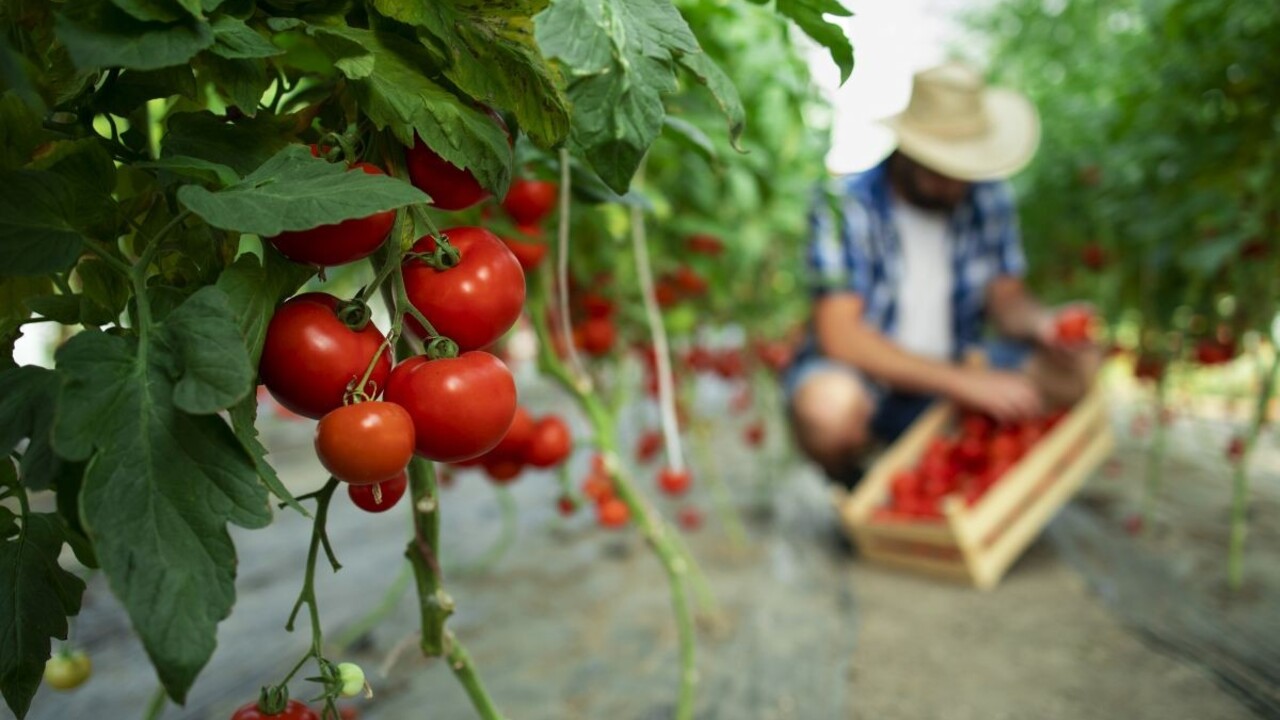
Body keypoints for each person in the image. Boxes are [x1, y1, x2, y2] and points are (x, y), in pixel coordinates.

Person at [785, 62, 1099, 490]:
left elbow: (1007, 300)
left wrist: (1043, 324)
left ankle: (970, 470)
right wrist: (966, 382)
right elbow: (840, 335)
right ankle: (859, 482)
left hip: (958, 371)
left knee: (1080, 366)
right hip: (874, 384)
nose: (955, 184)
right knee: (826, 409)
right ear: (908, 150)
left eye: (963, 170)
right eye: (941, 170)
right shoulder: (844, 206)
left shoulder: (987, 198)